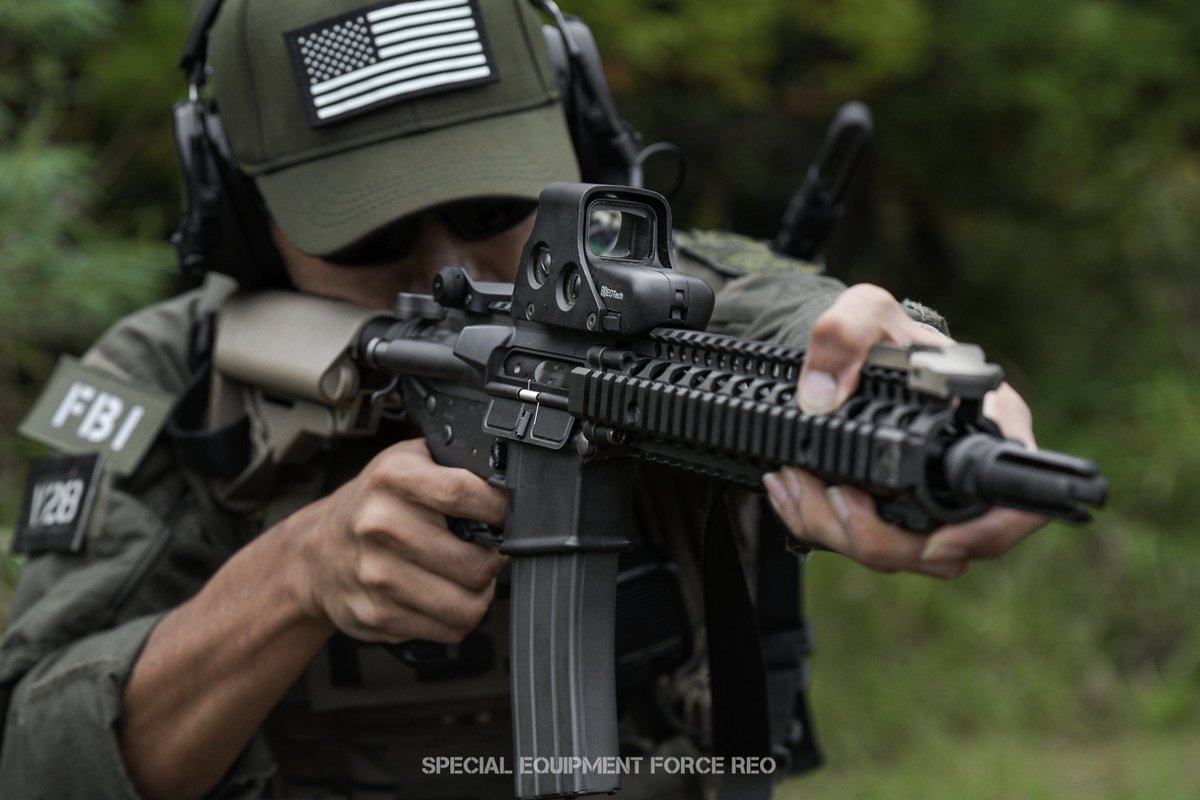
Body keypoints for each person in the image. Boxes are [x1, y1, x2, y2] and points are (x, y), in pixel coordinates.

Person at [0, 0, 1045, 798]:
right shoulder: (166, 387)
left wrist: (937, 404)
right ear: (233, 204)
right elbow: (29, 755)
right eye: (365, 233)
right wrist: (290, 578)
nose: (448, 265)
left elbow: (792, 320)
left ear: (579, 134)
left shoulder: (667, 302)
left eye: (496, 204)